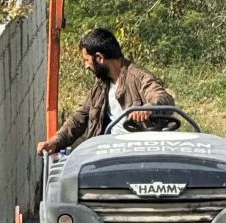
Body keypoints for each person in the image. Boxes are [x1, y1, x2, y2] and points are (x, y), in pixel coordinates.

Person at [36, 27, 175, 155]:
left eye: (86, 60)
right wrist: (55, 142)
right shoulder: (102, 84)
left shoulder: (139, 78)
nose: (86, 66)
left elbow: (162, 98)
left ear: (99, 58)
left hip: (138, 154)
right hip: (108, 153)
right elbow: (80, 117)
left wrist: (149, 108)